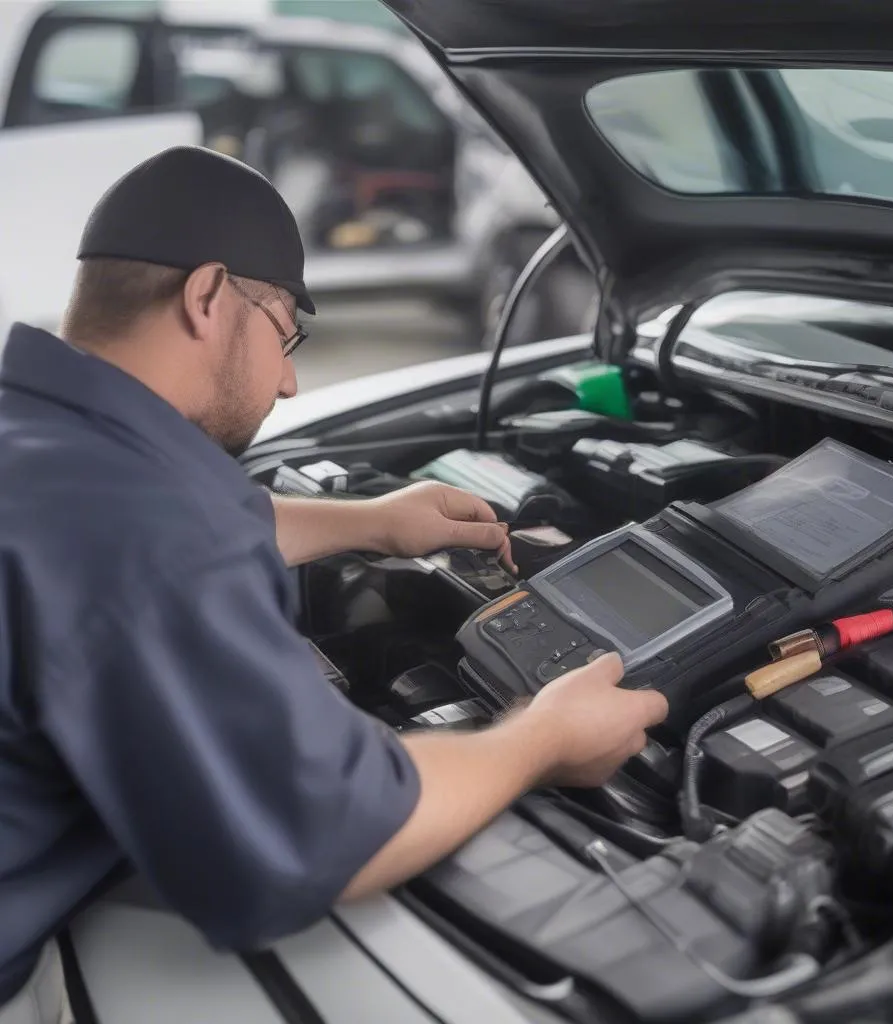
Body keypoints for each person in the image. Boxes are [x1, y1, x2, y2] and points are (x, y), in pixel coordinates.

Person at [0, 146, 669, 1023]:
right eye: (284, 333)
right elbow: (320, 839)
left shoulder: (41, 432)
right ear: (207, 297)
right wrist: (541, 739)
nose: (287, 380)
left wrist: (373, 519)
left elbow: (127, 539)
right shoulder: (150, 532)